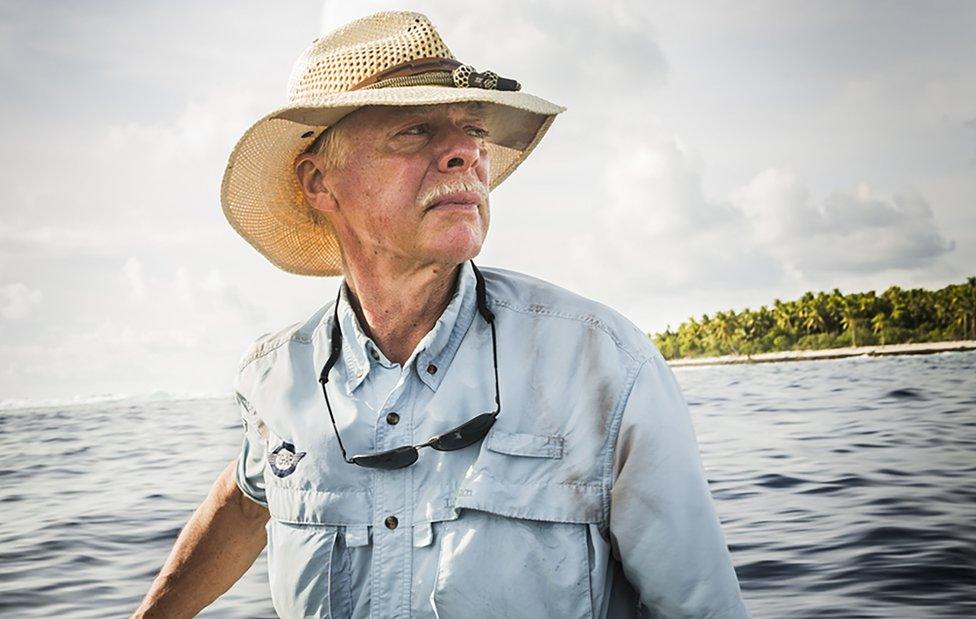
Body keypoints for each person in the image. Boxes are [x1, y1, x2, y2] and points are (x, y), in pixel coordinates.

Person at [133, 11, 749, 619]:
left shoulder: (603, 363)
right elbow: (247, 500)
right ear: (319, 182)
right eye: (417, 130)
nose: (465, 153)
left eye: (472, 130)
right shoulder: (276, 380)